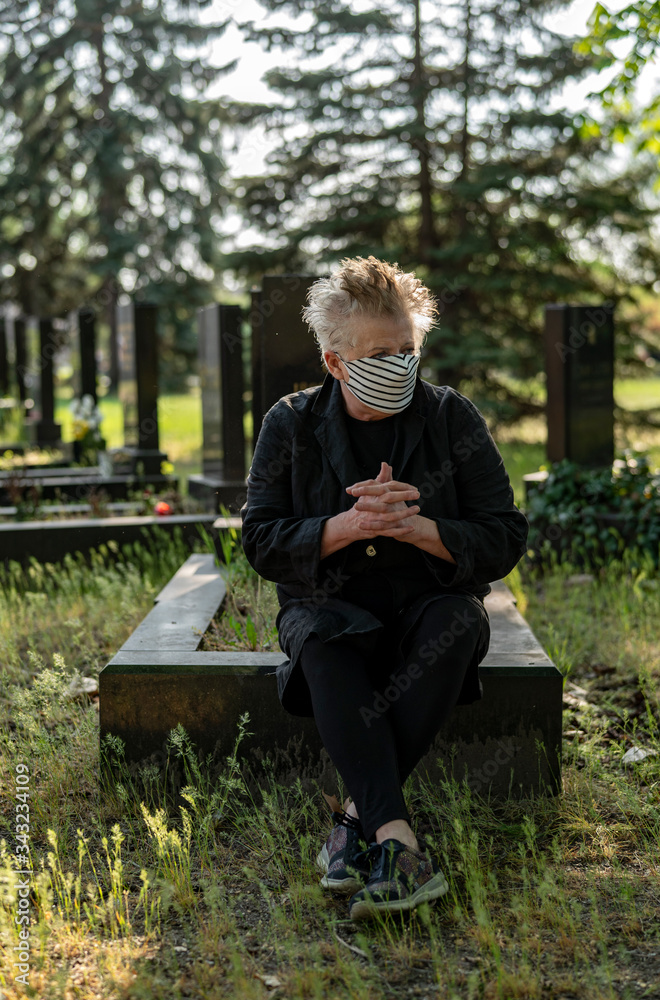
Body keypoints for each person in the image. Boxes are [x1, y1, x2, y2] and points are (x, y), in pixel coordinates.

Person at [240, 256, 528, 921]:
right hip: (327, 602)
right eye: (379, 354)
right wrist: (342, 527)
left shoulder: (451, 418)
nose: (398, 365)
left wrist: (421, 529)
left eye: (407, 351)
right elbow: (260, 541)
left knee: (456, 626)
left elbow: (505, 536)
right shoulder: (291, 425)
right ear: (335, 361)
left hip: (430, 601)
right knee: (322, 643)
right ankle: (398, 842)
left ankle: (355, 821)